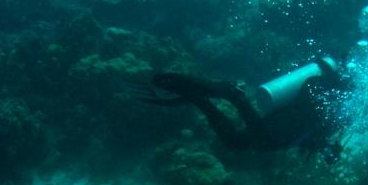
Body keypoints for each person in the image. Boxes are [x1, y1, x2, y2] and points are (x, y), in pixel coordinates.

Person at [134, 57, 345, 162]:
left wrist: (327, 149)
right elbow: (316, 133)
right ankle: (233, 94)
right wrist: (329, 150)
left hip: (277, 129)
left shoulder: (326, 96)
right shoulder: (333, 103)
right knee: (249, 132)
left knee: (235, 142)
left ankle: (198, 98)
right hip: (275, 133)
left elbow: (314, 139)